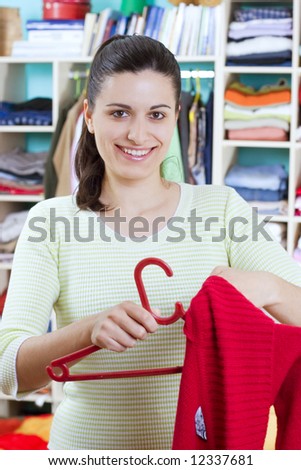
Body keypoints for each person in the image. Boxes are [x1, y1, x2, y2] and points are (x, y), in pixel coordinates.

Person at [0, 34, 301, 450]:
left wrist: (267, 287)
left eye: (156, 115)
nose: (138, 135)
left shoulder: (221, 209)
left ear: (176, 115)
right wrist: (87, 331)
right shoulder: (50, 222)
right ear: (89, 116)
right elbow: (8, 372)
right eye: (119, 113)